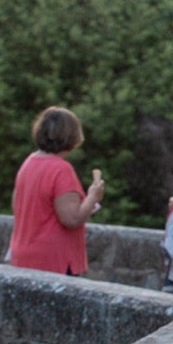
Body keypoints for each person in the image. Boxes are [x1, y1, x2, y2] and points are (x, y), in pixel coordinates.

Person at [9, 106, 105, 276]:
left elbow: (17, 205)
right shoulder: (61, 169)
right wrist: (93, 197)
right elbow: (71, 219)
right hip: (53, 261)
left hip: (23, 256)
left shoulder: (28, 163)